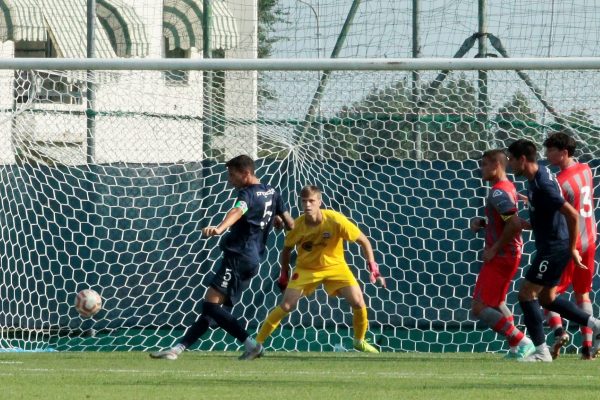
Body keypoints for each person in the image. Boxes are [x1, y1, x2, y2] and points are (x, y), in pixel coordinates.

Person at [150, 154, 294, 360]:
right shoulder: (272, 191)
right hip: (252, 260)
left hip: (238, 257)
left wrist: (219, 228)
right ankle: (177, 349)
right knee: (213, 311)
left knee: (210, 306)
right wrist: (278, 220)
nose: (229, 180)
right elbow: (289, 223)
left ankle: (252, 345)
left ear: (246, 173)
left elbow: (238, 211)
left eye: (232, 175)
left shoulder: (248, 194)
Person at [249, 185, 385, 358]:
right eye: (304, 201)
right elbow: (286, 250)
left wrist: (372, 265)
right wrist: (284, 273)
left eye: (311, 201)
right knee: (286, 305)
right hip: (306, 269)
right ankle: (257, 344)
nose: (307, 205)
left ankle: (359, 341)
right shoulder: (296, 226)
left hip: (336, 267)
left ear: (319, 202)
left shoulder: (335, 220)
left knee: (358, 302)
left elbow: (363, 240)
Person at [507, 139, 600, 362]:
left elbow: (572, 214)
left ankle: (541, 352)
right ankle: (596, 325)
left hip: (554, 247)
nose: (509, 165)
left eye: (511, 159)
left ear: (522, 159)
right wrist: (526, 222)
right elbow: (547, 214)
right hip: (555, 244)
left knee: (526, 294)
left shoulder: (543, 184)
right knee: (547, 298)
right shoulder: (542, 175)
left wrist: (571, 249)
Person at [469, 149, 534, 359]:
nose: (482, 169)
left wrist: (493, 249)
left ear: (496, 166)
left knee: (479, 307)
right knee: (497, 302)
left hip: (503, 255)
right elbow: (508, 222)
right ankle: (516, 348)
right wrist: (484, 223)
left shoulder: (497, 191)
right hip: (510, 253)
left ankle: (522, 341)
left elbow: (513, 224)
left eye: (485, 165)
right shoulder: (508, 188)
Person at [542, 131, 597, 360]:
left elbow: (557, 212)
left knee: (547, 294)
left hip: (570, 246)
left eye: (550, 150)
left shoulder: (561, 183)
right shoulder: (586, 170)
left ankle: (559, 332)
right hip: (590, 240)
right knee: (583, 294)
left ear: (563, 153)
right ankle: (587, 347)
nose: (547, 155)